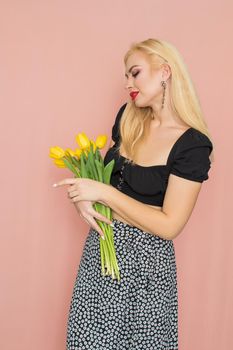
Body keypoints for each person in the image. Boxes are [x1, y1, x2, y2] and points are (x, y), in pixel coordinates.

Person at [54, 38, 214, 350]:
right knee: (86, 341)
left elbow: (170, 225)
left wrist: (104, 193)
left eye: (135, 73)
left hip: (147, 270)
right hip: (100, 256)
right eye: (126, 76)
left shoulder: (192, 145)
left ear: (164, 71)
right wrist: (86, 200)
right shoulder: (128, 119)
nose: (128, 83)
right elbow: (108, 187)